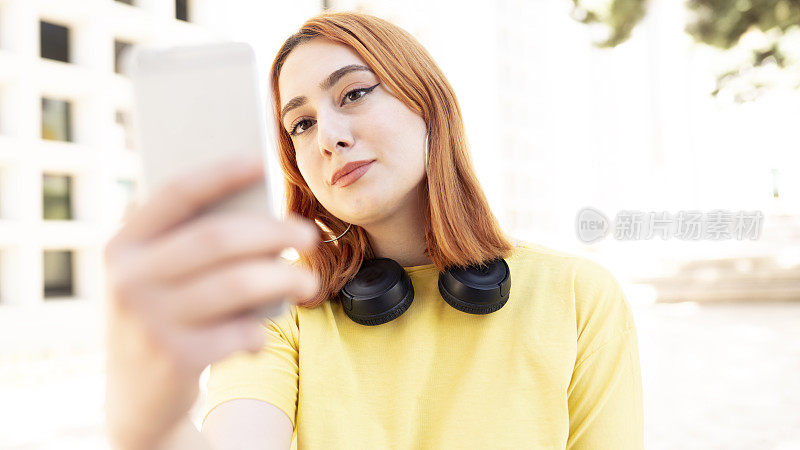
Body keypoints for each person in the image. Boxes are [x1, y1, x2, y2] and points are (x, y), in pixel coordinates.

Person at [103, 10, 644, 450]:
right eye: (302, 123)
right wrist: (146, 427)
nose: (328, 137)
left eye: (354, 94)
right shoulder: (283, 309)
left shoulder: (577, 296)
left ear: (428, 102)